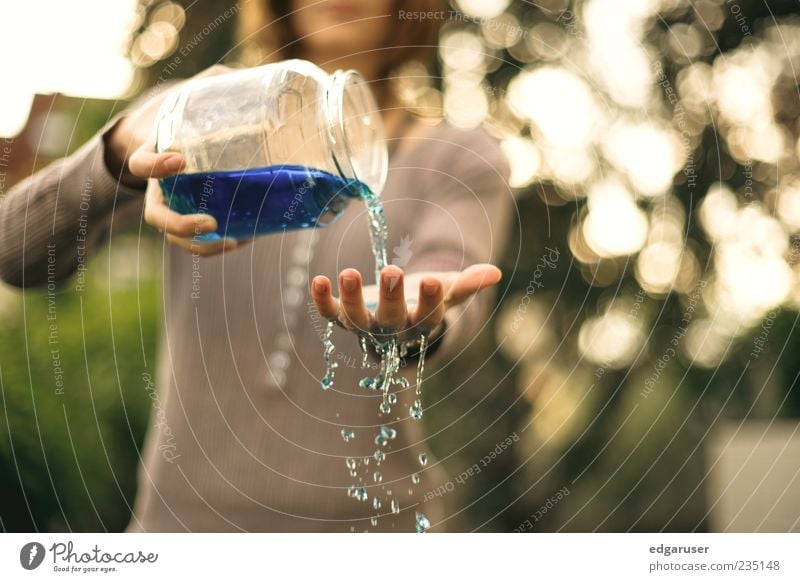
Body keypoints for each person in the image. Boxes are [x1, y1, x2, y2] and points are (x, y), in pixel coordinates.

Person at [0, 0, 512, 532]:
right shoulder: (199, 118)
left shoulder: (459, 153)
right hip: (183, 529)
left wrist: (414, 320)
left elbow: (450, 278)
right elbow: (13, 251)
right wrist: (120, 151)